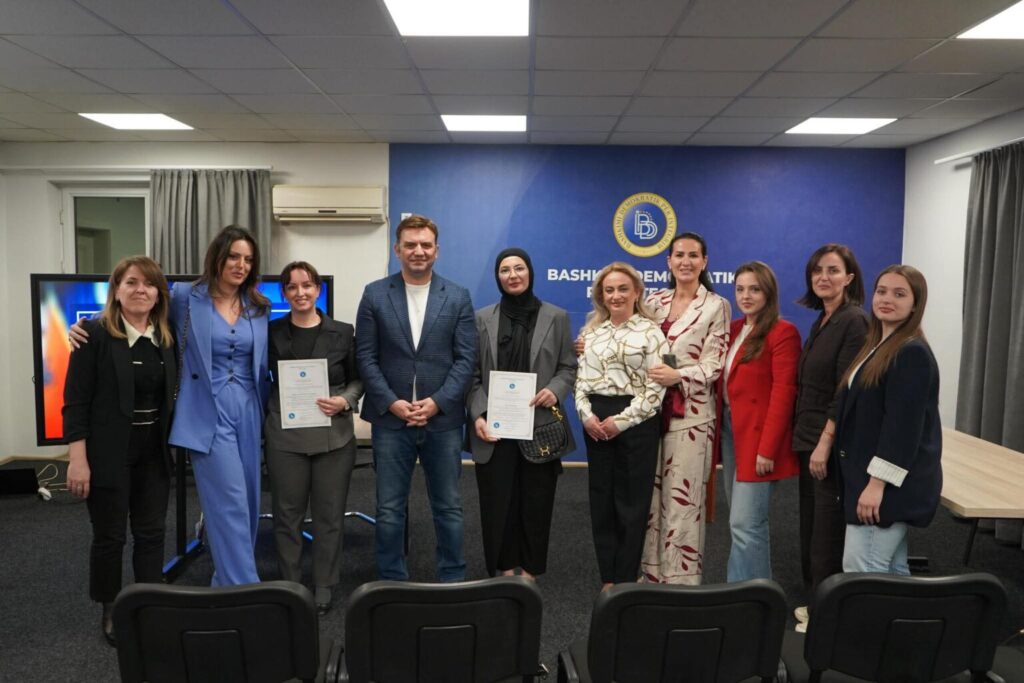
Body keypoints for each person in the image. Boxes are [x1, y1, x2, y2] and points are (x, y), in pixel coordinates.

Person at [76, 226, 272, 585]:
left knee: (248, 503)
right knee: (228, 502)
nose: (240, 265)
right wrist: (85, 329)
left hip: (249, 410)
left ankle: (226, 580)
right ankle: (244, 588)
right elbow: (137, 315)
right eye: (233, 256)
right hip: (206, 412)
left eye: (248, 259)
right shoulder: (184, 296)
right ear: (217, 257)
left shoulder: (259, 307)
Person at [355, 214, 476, 582]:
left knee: (449, 507)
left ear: (436, 251)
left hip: (442, 420)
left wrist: (437, 402)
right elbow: (365, 357)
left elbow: (466, 359)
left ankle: (452, 577)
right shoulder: (375, 294)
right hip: (391, 420)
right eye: (410, 245)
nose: (418, 251)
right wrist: (392, 403)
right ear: (397, 249)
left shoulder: (457, 296)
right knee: (390, 509)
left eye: (425, 245)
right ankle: (391, 579)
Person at [63, 256, 177, 645]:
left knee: (151, 532)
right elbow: (75, 403)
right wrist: (77, 460)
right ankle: (111, 606)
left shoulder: (167, 336)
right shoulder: (92, 335)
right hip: (107, 453)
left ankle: (148, 601)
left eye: (149, 283)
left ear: (159, 294)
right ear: (116, 291)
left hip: (153, 452)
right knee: (110, 536)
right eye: (131, 282)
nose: (140, 290)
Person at [467, 248, 577, 579]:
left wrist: (555, 390)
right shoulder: (481, 318)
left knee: (536, 502)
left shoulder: (556, 317)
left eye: (519, 268)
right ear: (497, 277)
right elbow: (470, 374)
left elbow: (568, 367)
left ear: (530, 272)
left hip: (540, 425)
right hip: (494, 427)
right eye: (505, 270)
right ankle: (503, 569)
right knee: (497, 502)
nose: (512, 275)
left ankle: (529, 570)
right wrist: (479, 415)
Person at [264, 261, 363, 614]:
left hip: (333, 436)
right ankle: (290, 583)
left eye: (307, 285)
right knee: (286, 515)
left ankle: (324, 584)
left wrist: (345, 400)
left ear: (318, 290)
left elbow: (357, 379)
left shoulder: (343, 332)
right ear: (284, 293)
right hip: (285, 436)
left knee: (329, 515)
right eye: (292, 287)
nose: (300, 292)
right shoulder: (270, 332)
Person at [835, 265, 941, 575]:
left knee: (862, 571)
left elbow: (902, 429)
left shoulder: (911, 354)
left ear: (915, 304)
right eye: (881, 291)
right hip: (871, 478)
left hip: (885, 486)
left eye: (899, 294)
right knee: (892, 573)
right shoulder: (879, 346)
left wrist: (876, 485)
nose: (887, 299)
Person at [639, 232, 730, 585]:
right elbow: (631, 341)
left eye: (693, 255)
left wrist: (679, 375)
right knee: (651, 500)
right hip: (650, 413)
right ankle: (652, 575)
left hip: (691, 418)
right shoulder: (653, 301)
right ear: (669, 261)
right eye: (679, 255)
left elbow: (714, 363)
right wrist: (593, 342)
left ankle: (680, 583)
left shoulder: (716, 305)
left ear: (704, 261)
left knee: (684, 502)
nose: (685, 262)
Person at [575, 262, 667, 589]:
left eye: (623, 289)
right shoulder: (591, 334)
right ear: (601, 295)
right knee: (602, 501)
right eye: (609, 290)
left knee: (631, 503)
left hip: (636, 422)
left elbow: (656, 389)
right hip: (596, 421)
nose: (616, 295)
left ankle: (626, 578)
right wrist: (586, 416)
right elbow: (580, 382)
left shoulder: (652, 333)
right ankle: (608, 578)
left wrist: (622, 421)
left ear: (637, 292)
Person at [793, 244, 867, 621]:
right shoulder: (823, 320)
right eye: (817, 270)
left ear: (849, 278)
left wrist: (825, 442)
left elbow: (845, 389)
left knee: (826, 532)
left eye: (833, 270)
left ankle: (826, 614)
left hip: (829, 443)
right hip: (807, 438)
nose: (824, 277)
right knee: (811, 526)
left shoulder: (854, 322)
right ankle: (816, 602)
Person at [718, 261, 801, 582]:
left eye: (754, 289)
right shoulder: (734, 329)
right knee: (747, 523)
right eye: (740, 289)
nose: (746, 296)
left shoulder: (783, 332)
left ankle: (742, 597)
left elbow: (784, 393)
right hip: (731, 432)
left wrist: (767, 450)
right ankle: (759, 594)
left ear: (769, 293)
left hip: (759, 438)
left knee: (744, 523)